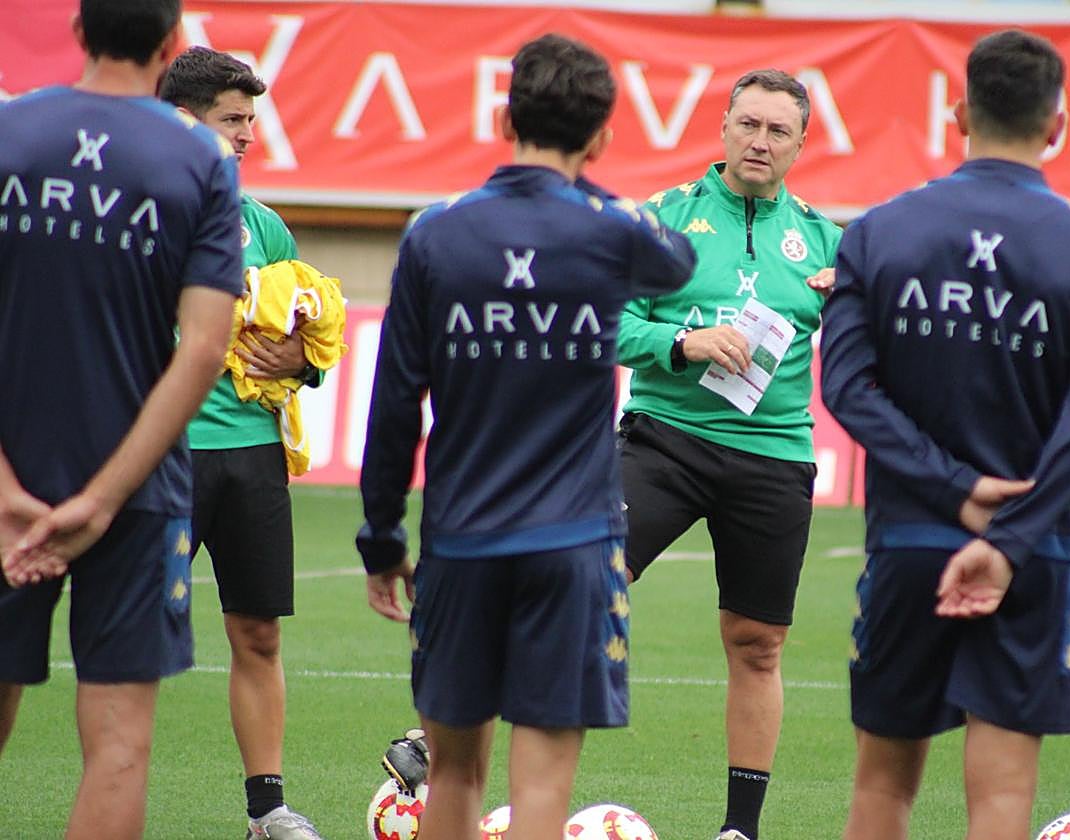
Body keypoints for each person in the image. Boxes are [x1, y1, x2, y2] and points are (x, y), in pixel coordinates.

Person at [356, 33, 695, 840]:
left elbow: (395, 400)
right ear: (603, 136)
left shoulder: (434, 232)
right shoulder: (611, 231)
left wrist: (380, 538)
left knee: (454, 778)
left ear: (505, 115)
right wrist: (584, 181)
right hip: (573, 543)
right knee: (542, 788)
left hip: (461, 541)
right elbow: (677, 261)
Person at [818, 29, 1070, 840]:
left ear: (958, 112)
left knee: (881, 793)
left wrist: (953, 490)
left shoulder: (876, 232)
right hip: (1032, 555)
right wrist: (1009, 536)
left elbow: (848, 389)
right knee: (1000, 803)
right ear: (1058, 124)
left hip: (909, 546)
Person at [0, 1, 244, 837]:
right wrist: (103, 499)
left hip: (5, 493)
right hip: (137, 498)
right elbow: (206, 349)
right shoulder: (202, 159)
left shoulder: (8, 132)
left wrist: (5, 491)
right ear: (173, 46)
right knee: (119, 748)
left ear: (79, 32)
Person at [616, 69, 841, 840]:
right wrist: (682, 341)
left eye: (779, 131)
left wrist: (855, 299)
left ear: (801, 145)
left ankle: (738, 830)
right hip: (662, 441)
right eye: (749, 124)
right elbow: (608, 325)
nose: (760, 141)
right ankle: (438, 739)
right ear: (723, 128)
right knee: (577, 579)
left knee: (758, 641)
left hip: (773, 455)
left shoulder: (825, 240)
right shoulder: (665, 220)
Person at [159, 47, 328, 840]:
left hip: (254, 452)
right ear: (182, 124)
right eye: (233, 120)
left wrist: (302, 359)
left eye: (253, 120)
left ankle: (268, 811)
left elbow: (306, 332)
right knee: (132, 634)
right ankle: (112, 791)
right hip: (164, 452)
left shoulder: (264, 225)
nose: (248, 136)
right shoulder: (145, 214)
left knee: (258, 632)